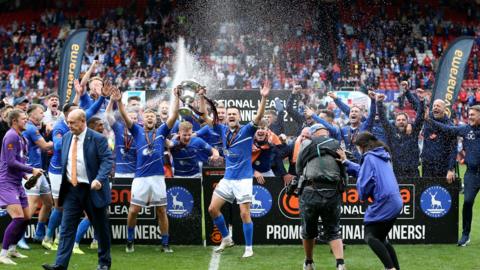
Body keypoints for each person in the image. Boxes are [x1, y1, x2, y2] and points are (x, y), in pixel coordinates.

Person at [201, 81, 270, 258]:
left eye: (234, 114)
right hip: (228, 178)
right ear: (226, 117)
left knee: (244, 213)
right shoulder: (222, 129)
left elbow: (259, 115)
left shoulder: (247, 130)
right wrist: (201, 97)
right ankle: (226, 238)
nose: (231, 116)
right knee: (212, 209)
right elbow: (204, 116)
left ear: (239, 117)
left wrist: (263, 97)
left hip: (244, 179)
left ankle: (248, 248)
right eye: (229, 114)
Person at [42, 109, 113, 270]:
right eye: (68, 122)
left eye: (72, 122)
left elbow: (107, 160)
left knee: (101, 229)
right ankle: (60, 265)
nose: (69, 125)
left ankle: (104, 263)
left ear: (83, 121)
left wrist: (99, 179)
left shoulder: (98, 139)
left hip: (93, 189)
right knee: (67, 228)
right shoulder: (67, 137)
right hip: (72, 190)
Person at [115, 86, 179, 253]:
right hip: (141, 178)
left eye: (152, 116)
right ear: (143, 119)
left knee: (161, 211)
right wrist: (118, 100)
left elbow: (174, 116)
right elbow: (124, 115)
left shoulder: (161, 131)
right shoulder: (136, 131)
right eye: (147, 116)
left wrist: (177, 98)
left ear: (155, 119)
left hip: (158, 178)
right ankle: (129, 241)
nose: (150, 118)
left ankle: (165, 244)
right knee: (134, 210)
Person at [338, 132, 402, 270]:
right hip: (396, 200)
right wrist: (346, 162)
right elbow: (365, 171)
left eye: (358, 148)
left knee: (370, 236)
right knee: (381, 238)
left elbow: (364, 183)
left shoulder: (368, 157)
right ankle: (394, 268)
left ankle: (390, 268)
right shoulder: (382, 155)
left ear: (362, 146)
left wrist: (362, 195)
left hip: (384, 201)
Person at [426, 105, 480, 246]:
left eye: (473, 115)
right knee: (467, 202)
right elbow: (448, 129)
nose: (470, 117)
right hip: (472, 173)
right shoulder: (465, 129)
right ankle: (465, 235)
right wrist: (430, 121)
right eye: (469, 114)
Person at [296, 123, 347, 270]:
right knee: (333, 230)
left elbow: (299, 168)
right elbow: (344, 170)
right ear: (326, 132)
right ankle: (340, 263)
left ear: (314, 133)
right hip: (333, 193)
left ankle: (309, 262)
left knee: (308, 231)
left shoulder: (307, 143)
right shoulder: (338, 145)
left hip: (311, 191)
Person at [0, 109, 43, 265]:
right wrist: (31, 170)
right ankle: (3, 254)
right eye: (24, 119)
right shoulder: (11, 136)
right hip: (6, 183)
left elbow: (20, 162)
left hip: (17, 182)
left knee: (25, 218)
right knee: (18, 218)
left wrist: (26, 175)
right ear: (14, 122)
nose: (26, 120)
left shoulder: (22, 138)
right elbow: (10, 162)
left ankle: (12, 249)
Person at [22, 104, 53, 244]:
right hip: (32, 171)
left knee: (48, 202)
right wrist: (61, 140)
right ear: (33, 115)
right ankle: (19, 237)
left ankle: (39, 233)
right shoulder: (31, 128)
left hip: (39, 170)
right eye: (41, 112)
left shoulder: (32, 127)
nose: (43, 114)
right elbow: (45, 146)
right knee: (32, 205)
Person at [377, 93, 425, 177]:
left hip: (412, 172)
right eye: (398, 120)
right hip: (396, 172)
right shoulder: (391, 132)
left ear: (407, 121)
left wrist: (421, 102)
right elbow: (383, 119)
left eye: (403, 119)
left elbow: (420, 118)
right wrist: (379, 103)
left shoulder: (413, 131)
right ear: (395, 122)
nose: (401, 121)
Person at [421, 99, 457, 180]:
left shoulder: (450, 126)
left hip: (442, 166)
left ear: (444, 110)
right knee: (427, 191)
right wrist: (407, 92)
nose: (435, 107)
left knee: (441, 191)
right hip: (427, 165)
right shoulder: (427, 118)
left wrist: (451, 169)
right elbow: (417, 109)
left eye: (438, 106)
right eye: (434, 106)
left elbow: (453, 149)